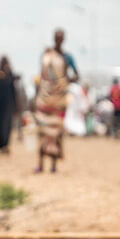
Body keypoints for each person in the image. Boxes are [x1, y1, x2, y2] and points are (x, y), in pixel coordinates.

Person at [33, 28, 79, 173]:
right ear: (54, 38)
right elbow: (42, 76)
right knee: (42, 130)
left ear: (63, 39)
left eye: (61, 37)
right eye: (57, 37)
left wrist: (64, 81)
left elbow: (77, 75)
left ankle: (53, 165)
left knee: (56, 131)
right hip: (45, 98)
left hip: (59, 100)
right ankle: (40, 164)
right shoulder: (47, 55)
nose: (58, 40)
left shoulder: (67, 57)